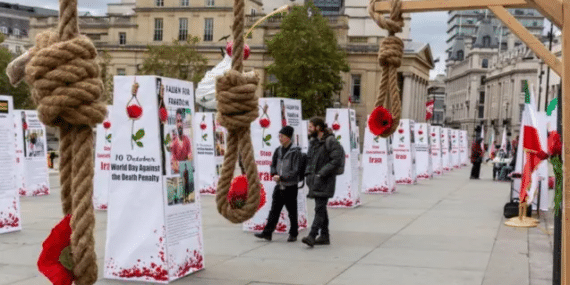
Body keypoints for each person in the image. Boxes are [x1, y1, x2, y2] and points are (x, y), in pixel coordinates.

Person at [255, 126, 302, 242]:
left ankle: (293, 233)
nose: (280, 138)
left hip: (290, 186)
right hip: (279, 185)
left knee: (292, 211)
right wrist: (274, 174)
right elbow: (273, 164)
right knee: (274, 209)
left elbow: (296, 170)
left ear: (289, 137)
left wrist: (282, 177)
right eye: (279, 136)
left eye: (282, 136)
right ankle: (267, 233)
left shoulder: (296, 152)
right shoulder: (278, 150)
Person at [302, 117, 344, 247]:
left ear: (318, 128)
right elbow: (309, 160)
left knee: (319, 208)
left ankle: (312, 235)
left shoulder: (331, 141)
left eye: (310, 127)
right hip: (315, 180)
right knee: (321, 208)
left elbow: (336, 159)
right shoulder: (314, 142)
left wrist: (322, 173)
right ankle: (325, 236)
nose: (308, 130)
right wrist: (309, 175)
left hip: (325, 180)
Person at [171, 109, 193, 174]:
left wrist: (189, 158)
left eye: (181, 121)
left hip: (186, 173)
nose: (180, 124)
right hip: (177, 174)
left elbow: (190, 156)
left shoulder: (187, 140)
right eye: (178, 121)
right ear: (176, 123)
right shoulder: (173, 142)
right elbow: (173, 162)